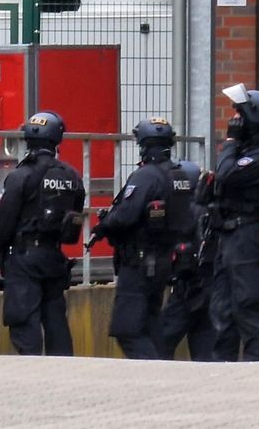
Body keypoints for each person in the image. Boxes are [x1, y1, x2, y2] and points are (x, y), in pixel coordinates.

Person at [91, 117, 195, 360]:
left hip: (139, 262)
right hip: (162, 260)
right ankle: (163, 372)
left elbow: (125, 216)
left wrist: (104, 226)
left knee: (128, 330)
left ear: (145, 145)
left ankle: (154, 374)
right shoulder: (179, 175)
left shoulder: (146, 175)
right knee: (150, 324)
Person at [0, 110, 85, 356]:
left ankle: (33, 376)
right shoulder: (71, 176)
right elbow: (75, 213)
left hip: (24, 257)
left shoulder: (21, 176)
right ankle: (63, 370)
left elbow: (4, 220)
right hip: (54, 256)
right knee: (55, 319)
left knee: (24, 320)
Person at [209, 84, 259, 362]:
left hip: (246, 234)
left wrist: (229, 144)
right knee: (221, 305)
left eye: (239, 113)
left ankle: (255, 362)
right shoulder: (243, 153)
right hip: (227, 234)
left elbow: (227, 174)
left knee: (246, 304)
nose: (234, 119)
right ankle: (222, 365)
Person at [157, 160, 216, 361]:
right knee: (205, 352)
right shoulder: (210, 210)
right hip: (210, 289)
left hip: (187, 289)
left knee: (161, 342)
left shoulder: (185, 210)